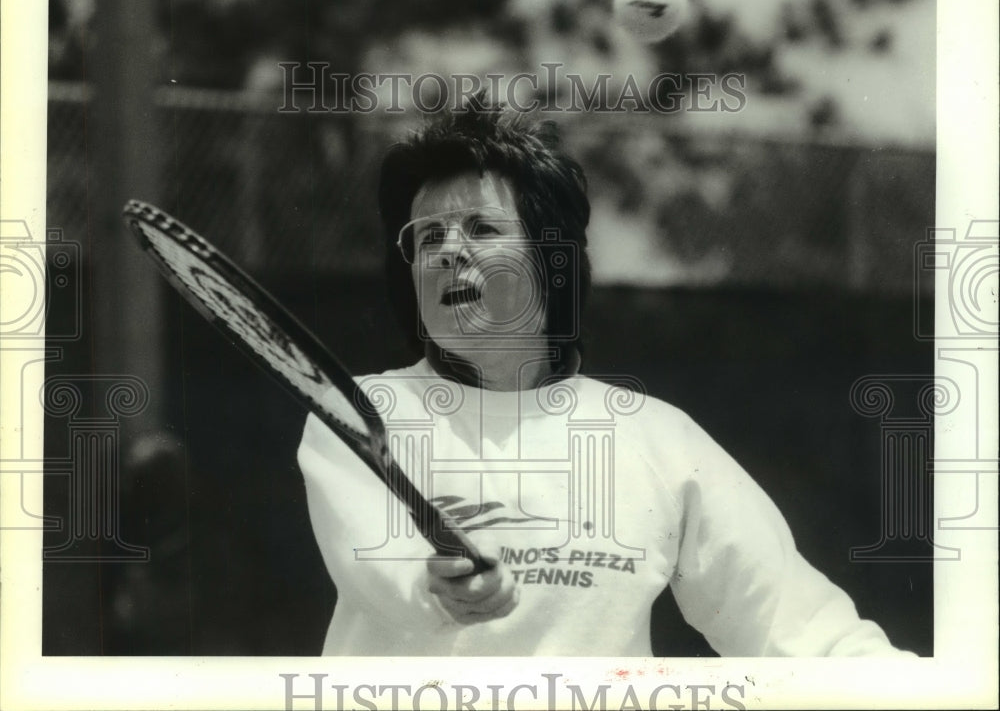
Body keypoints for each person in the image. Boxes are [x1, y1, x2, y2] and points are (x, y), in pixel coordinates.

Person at [297, 100, 912, 657]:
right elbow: (379, 567)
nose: (447, 250)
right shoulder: (361, 409)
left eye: (481, 229)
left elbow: (796, 625)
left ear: (551, 257)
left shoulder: (658, 437)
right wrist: (437, 591)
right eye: (427, 236)